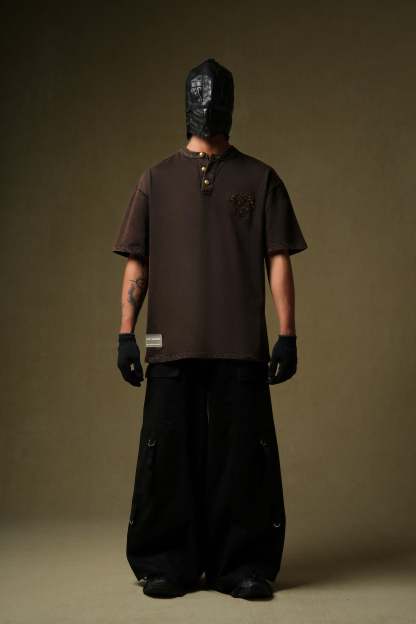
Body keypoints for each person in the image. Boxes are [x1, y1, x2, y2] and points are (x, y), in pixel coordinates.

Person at [112, 57, 308, 600]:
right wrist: (126, 333)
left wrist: (287, 334)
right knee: (167, 457)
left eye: (218, 95)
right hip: (168, 344)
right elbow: (137, 260)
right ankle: (166, 562)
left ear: (232, 104)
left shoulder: (260, 178)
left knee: (241, 459)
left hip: (239, 347)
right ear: (186, 103)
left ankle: (242, 566)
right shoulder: (155, 180)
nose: (209, 104)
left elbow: (277, 258)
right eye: (200, 95)